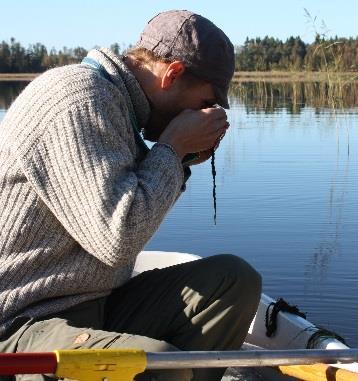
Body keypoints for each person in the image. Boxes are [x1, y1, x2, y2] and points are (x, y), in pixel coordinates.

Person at [0, 10, 261, 381]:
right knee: (159, 365)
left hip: (95, 301)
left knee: (233, 281)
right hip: (22, 323)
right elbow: (117, 238)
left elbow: (131, 208)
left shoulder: (119, 107)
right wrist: (172, 148)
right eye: (205, 101)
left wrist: (179, 158)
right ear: (171, 75)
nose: (207, 113)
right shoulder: (78, 99)